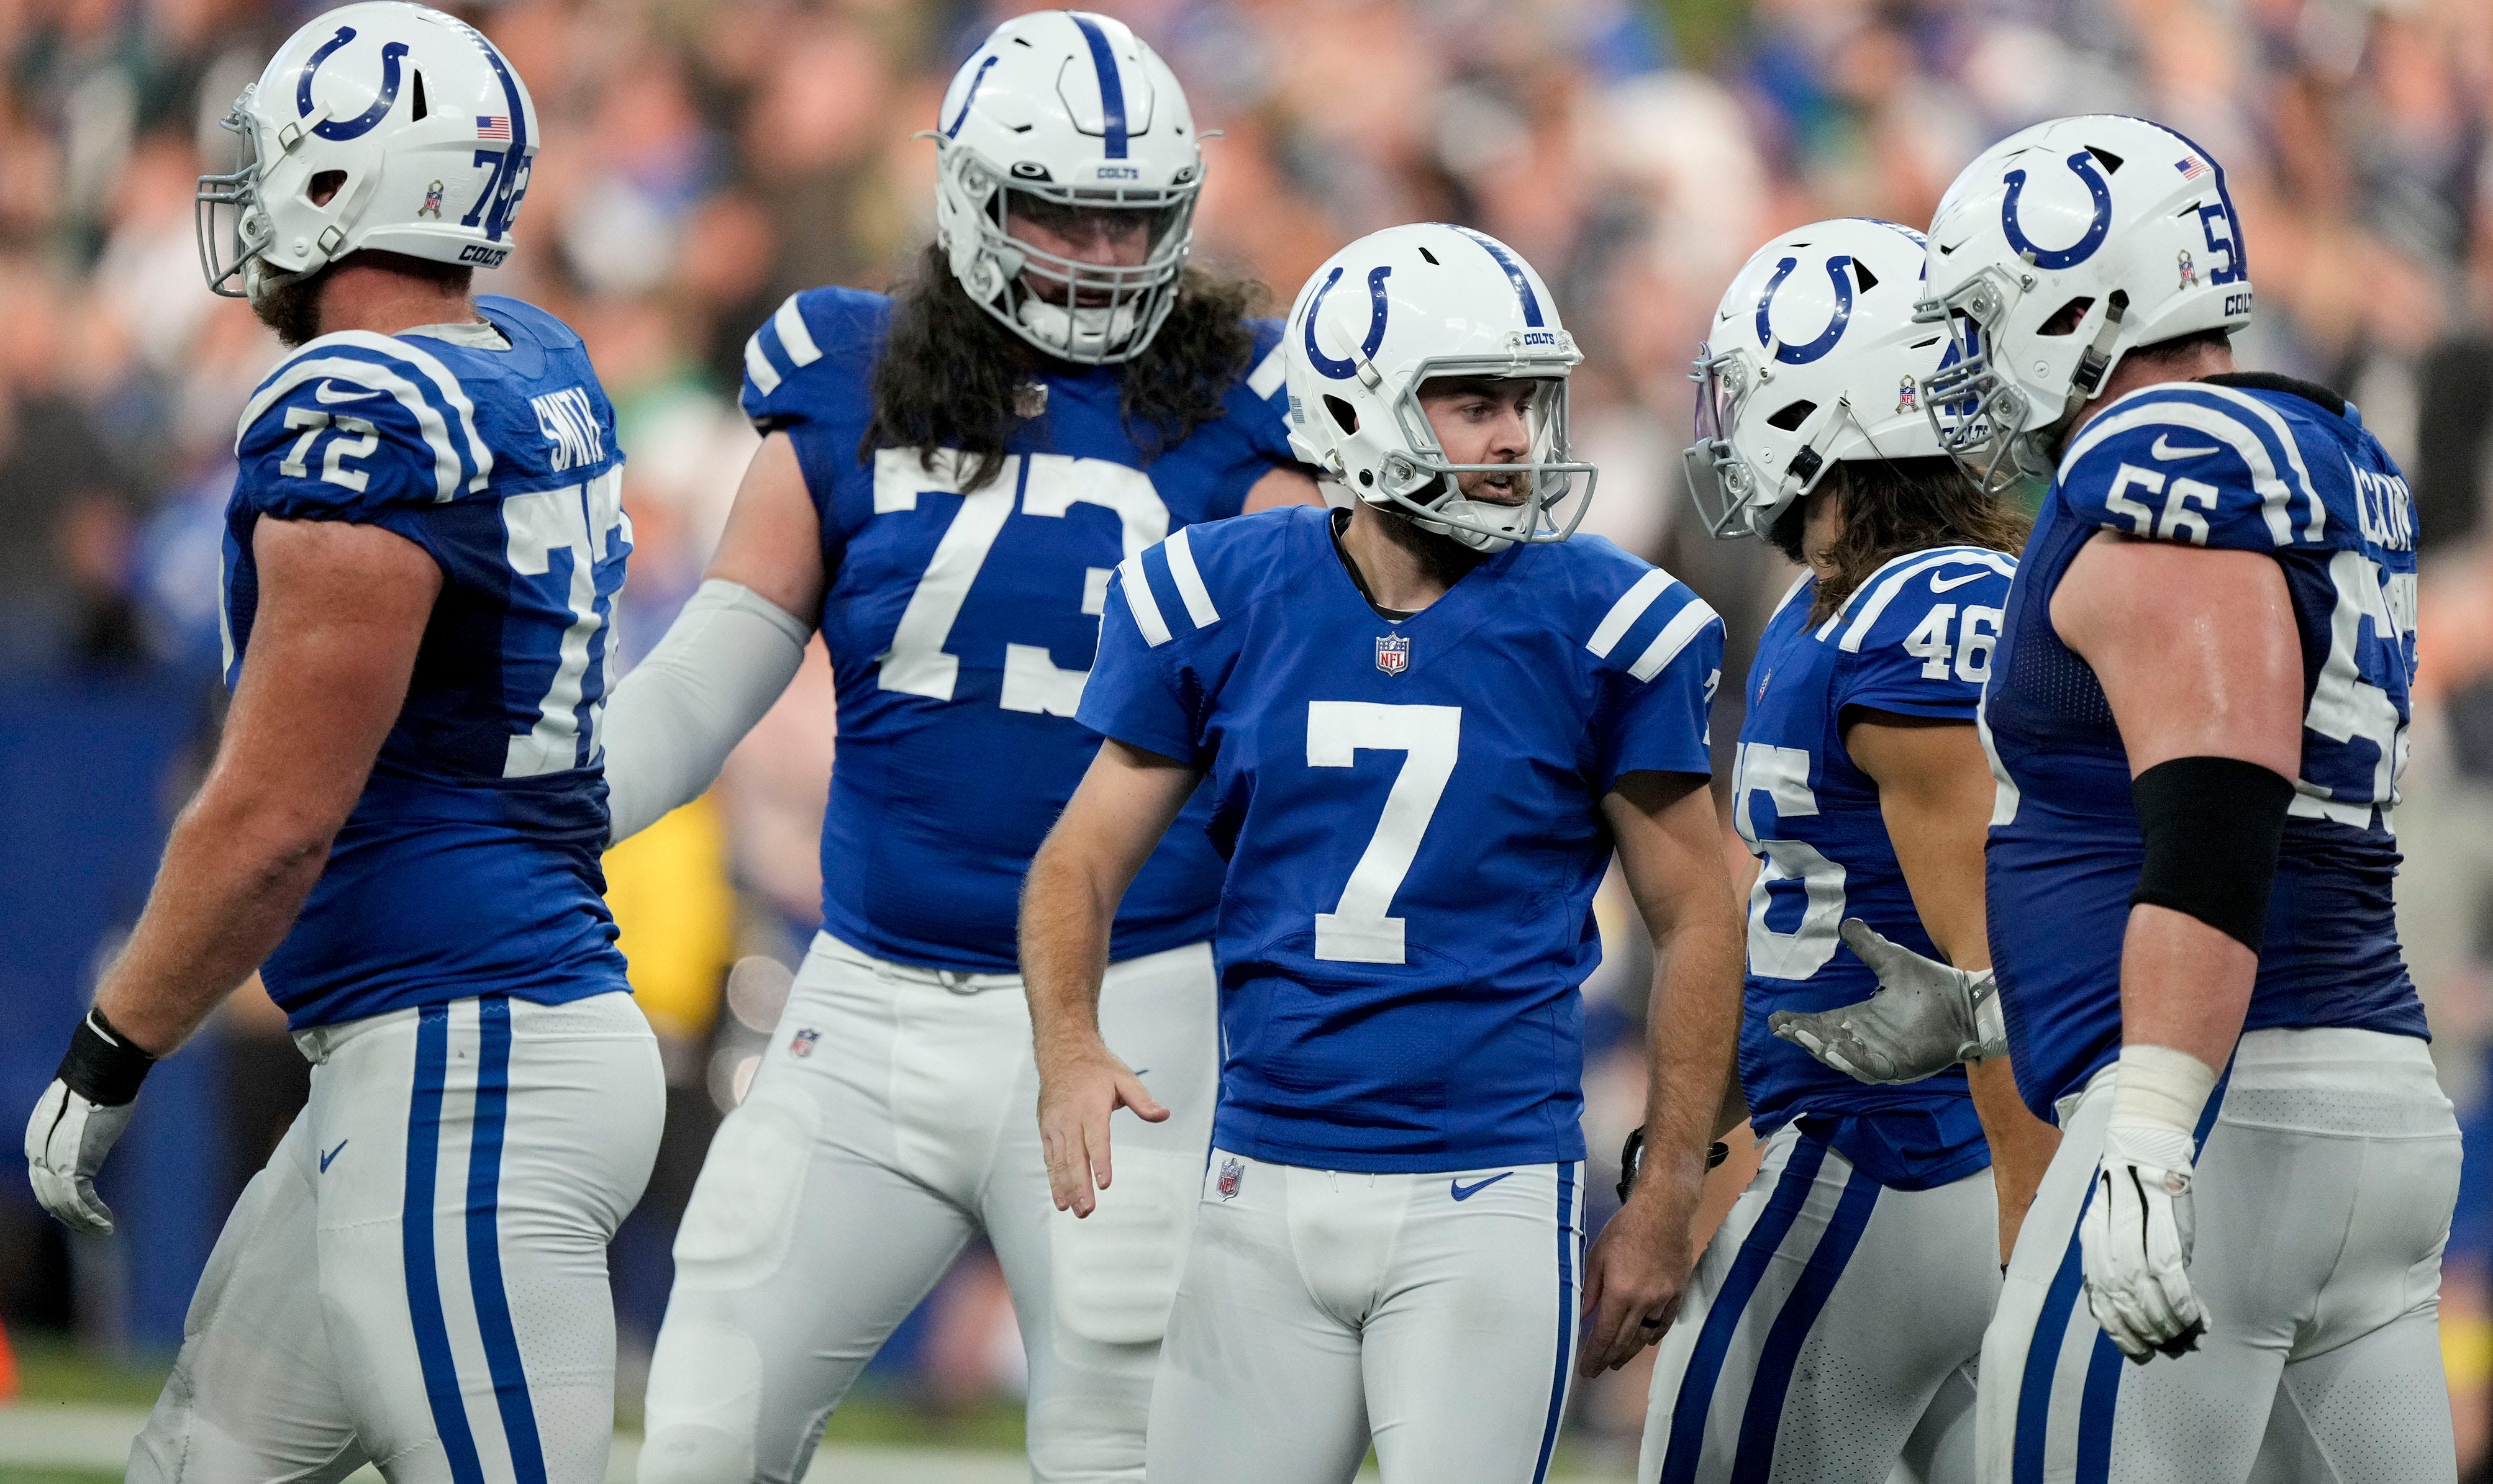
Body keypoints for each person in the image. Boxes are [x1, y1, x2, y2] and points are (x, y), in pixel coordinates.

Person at [612, 10, 1319, 1484]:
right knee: (701, 1429)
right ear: (969, 195)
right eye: (1063, 213)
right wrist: (542, 808)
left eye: (1135, 226)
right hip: (864, 1001)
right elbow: (709, 678)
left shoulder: (1253, 408)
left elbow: (1324, 708)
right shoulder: (847, 371)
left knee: (1120, 1447)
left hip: (1133, 1014)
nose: (1103, 260)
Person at [23, 2, 663, 1484]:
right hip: (442, 1051)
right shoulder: (528, 355)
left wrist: (113, 1047)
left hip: (470, 1061)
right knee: (204, 1462)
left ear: (348, 189)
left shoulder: (361, 414)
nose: (249, 198)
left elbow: (274, 817)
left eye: (277, 162)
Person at [1776, 115, 2458, 1480]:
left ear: (2083, 298)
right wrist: (1992, 1005)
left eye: (1982, 317)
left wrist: (2148, 1128)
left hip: (2217, 1112)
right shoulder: (2312, 439)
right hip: (2358, 1102)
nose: (1967, 363)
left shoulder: (2160, 458)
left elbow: (2220, 815)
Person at [1020, 221, 1748, 1484]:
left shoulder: (1603, 620)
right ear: (1356, 412)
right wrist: (1068, 1045)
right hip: (1260, 1177)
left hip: (1487, 1192)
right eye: (1472, 404)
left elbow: (1699, 915)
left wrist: (1669, 1188)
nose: (1518, 436)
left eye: (1526, 400)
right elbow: (1076, 862)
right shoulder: (1225, 594)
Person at [1642, 217, 2060, 1484]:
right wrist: (1685, 1145)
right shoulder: (1835, 599)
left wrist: (2034, 1226)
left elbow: (1992, 971)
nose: (1729, 431)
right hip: (1891, 1163)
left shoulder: (1913, 614)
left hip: (1890, 1172)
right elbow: (1796, 935)